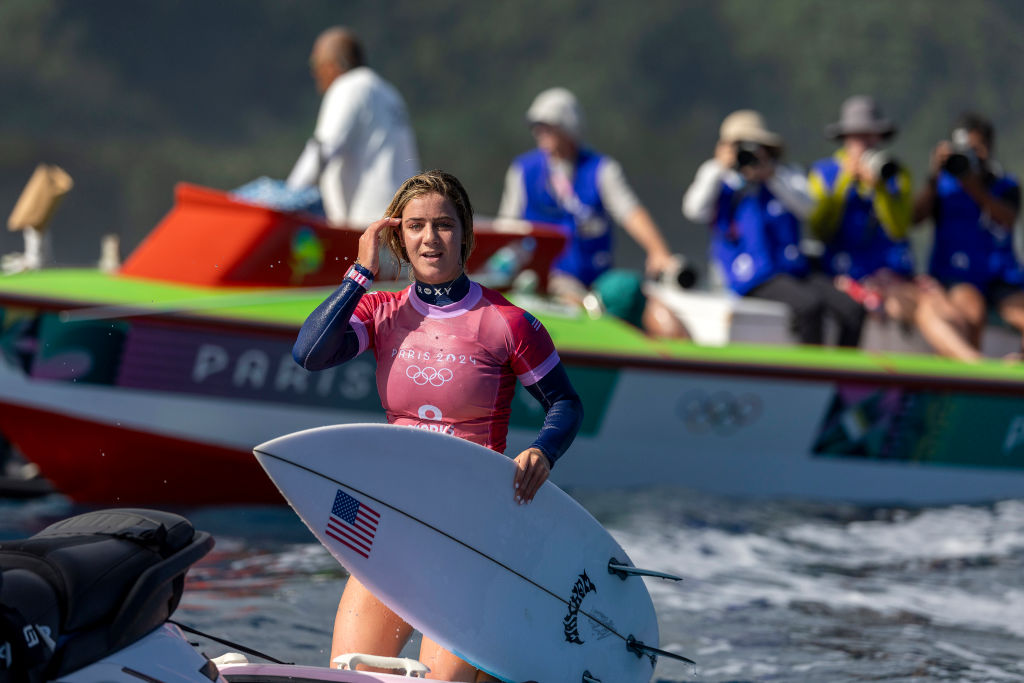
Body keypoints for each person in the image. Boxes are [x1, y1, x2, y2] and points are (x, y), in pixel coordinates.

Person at [292, 170, 583, 681]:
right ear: (397, 237)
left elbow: (564, 403)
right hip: (390, 529)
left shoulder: (505, 322)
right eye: (416, 225)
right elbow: (309, 354)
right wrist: (360, 272)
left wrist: (543, 451)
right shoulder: (381, 312)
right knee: (348, 675)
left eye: (445, 225)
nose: (430, 238)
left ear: (465, 234)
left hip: (473, 535)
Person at [497, 87, 687, 337]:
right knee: (570, 302)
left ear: (569, 126)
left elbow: (629, 212)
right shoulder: (523, 171)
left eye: (548, 125)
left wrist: (658, 252)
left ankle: (680, 357)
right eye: (537, 126)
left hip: (597, 278)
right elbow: (506, 228)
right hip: (547, 281)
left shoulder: (601, 169)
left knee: (649, 306)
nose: (540, 132)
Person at [682, 110, 865, 346]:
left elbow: (808, 208)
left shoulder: (784, 176)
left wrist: (770, 175)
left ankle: (843, 377)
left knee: (852, 309)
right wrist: (719, 167)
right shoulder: (719, 179)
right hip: (752, 276)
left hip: (792, 271)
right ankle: (811, 378)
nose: (748, 155)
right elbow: (693, 210)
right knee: (810, 306)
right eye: (740, 147)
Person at [912, 112, 1024, 361]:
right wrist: (933, 176)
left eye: (976, 148)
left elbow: (1006, 218)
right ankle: (971, 380)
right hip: (959, 276)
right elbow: (915, 218)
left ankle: (1017, 371)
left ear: (988, 148)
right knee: (971, 312)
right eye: (964, 150)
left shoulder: (1004, 183)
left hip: (1001, 277)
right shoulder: (942, 185)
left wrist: (974, 187)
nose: (970, 155)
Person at [286, 27, 420, 227]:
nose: (314, 72)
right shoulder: (389, 93)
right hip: (405, 221)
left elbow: (323, 151)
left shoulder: (348, 87)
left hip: (369, 226)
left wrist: (286, 199)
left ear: (333, 64)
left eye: (315, 63)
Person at [807, 95, 917, 325]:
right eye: (856, 135)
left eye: (869, 134)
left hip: (889, 274)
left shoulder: (895, 173)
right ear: (845, 138)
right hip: (842, 273)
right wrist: (845, 180)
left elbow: (899, 229)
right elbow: (820, 230)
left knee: (925, 301)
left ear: (879, 136)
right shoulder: (824, 173)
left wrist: (879, 189)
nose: (864, 142)